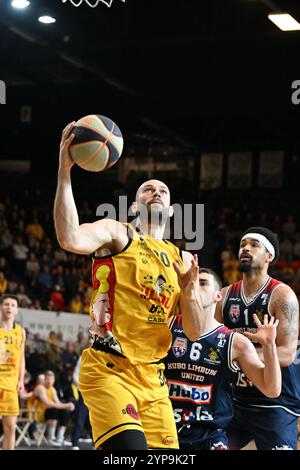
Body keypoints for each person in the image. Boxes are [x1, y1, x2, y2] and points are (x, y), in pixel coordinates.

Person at [53, 122, 205, 450]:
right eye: (148, 189)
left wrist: (189, 292)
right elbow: (69, 237)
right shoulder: (118, 233)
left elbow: (193, 332)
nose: (157, 192)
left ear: (172, 210)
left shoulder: (181, 261)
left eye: (163, 190)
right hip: (110, 367)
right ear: (135, 206)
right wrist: (65, 171)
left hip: (153, 378)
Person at [164, 268, 281, 450]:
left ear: (218, 296)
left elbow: (272, 389)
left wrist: (270, 345)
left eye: (203, 283)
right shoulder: (166, 327)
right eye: (193, 282)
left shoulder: (235, 342)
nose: (195, 286)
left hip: (209, 435)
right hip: (165, 429)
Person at [215, 227, 300, 450]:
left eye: (254, 245)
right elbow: (213, 346)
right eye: (243, 244)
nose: (245, 248)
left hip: (275, 403)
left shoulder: (282, 295)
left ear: (269, 256)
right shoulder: (224, 296)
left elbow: (287, 353)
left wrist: (244, 359)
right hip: (235, 401)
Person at [0, 294, 26, 450]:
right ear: (1, 307)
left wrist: (21, 380)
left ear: (17, 310)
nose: (9, 307)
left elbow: (22, 358)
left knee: (10, 427)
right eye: (6, 304)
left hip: (11, 385)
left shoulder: (21, 332)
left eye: (13, 305)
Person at [32, 370, 75, 447]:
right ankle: (50, 438)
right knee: (53, 410)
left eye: (51, 379)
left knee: (65, 411)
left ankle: (60, 438)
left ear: (54, 380)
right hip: (36, 414)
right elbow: (48, 404)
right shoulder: (40, 388)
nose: (49, 381)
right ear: (44, 379)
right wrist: (67, 405)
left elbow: (58, 403)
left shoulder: (53, 389)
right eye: (47, 379)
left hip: (46, 414)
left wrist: (68, 406)